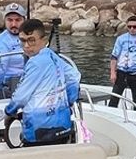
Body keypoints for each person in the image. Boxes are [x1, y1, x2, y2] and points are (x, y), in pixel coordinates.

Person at [7, 19, 81, 147]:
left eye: (31, 40)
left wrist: (9, 112)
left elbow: (20, 97)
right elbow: (74, 77)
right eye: (23, 41)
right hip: (63, 126)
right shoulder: (53, 56)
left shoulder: (35, 63)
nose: (26, 46)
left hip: (39, 130)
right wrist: (69, 101)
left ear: (44, 40)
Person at [0, 3, 26, 97]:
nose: (14, 24)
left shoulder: (31, 37)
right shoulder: (1, 42)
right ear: (4, 21)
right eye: (10, 20)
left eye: (18, 20)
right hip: (11, 87)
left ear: (24, 20)